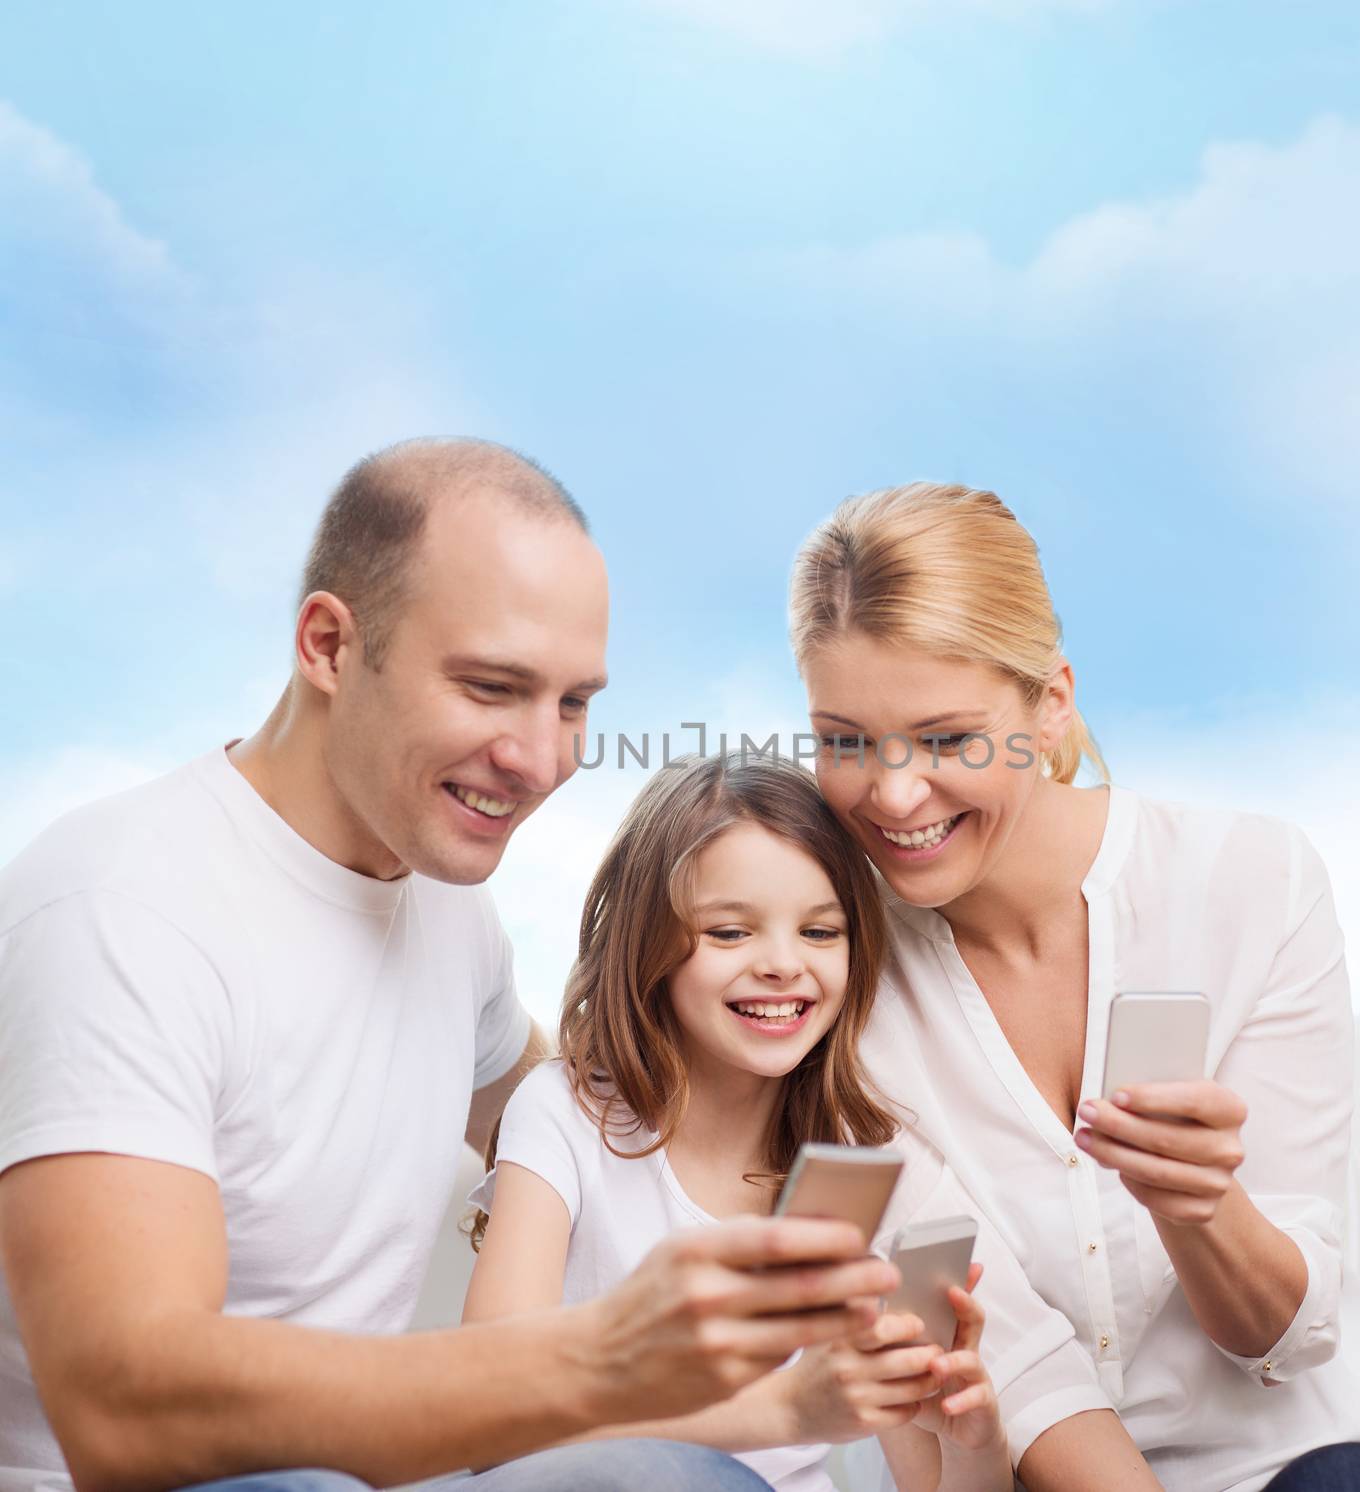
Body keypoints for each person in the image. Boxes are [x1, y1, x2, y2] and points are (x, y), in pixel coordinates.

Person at [0, 439, 898, 1492]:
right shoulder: (123, 907)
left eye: (573, 703)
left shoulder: (443, 905)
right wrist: (605, 1356)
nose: (542, 757)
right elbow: (123, 1409)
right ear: (331, 644)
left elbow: (565, 1101)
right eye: (489, 686)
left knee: (677, 1473)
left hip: (367, 1481)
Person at [787, 482, 1360, 1492]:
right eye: (844, 741)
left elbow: (1284, 1336)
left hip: (1292, 1465)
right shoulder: (833, 975)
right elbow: (1005, 1356)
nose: (892, 793)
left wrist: (1197, 1210)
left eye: (945, 737)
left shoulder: (1250, 883)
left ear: (1050, 703)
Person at [462, 753, 1012, 1492]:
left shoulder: (862, 1162)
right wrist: (777, 1410)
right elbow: (490, 1420)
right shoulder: (565, 1112)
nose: (783, 964)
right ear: (647, 943)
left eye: (821, 933)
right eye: (729, 933)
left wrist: (973, 1444)